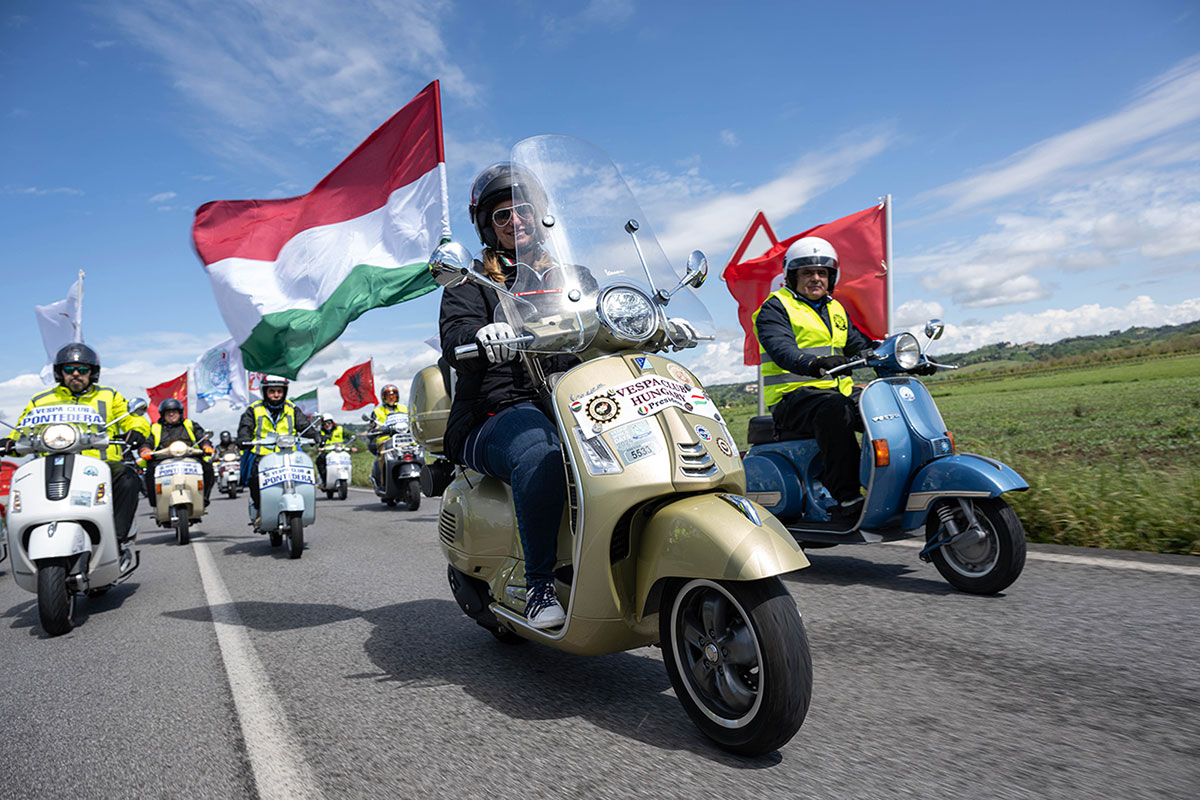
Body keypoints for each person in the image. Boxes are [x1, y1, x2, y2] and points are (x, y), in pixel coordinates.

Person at [438, 162, 580, 630]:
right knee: (539, 450)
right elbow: (455, 334)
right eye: (502, 215)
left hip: (570, 403)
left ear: (539, 215)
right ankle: (538, 588)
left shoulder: (572, 277)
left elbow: (604, 321)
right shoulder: (470, 282)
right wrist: (482, 333)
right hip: (493, 411)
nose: (514, 221)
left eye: (522, 210)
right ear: (487, 227)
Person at [752, 237, 882, 523]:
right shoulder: (775, 308)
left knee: (884, 408)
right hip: (793, 399)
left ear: (831, 277)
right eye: (807, 273)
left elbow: (860, 345)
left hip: (836, 394)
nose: (815, 278)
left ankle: (888, 484)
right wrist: (814, 363)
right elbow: (782, 350)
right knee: (835, 410)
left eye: (822, 273)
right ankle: (846, 496)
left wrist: (897, 354)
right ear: (792, 277)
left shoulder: (836, 309)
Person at [0, 343, 149, 542]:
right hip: (51, 467)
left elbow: (132, 418)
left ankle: (117, 538)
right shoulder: (40, 400)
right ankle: (25, 538)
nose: (76, 374)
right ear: (60, 373)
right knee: (23, 482)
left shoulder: (108, 395)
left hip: (100, 467)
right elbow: (23, 431)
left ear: (92, 372)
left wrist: (136, 430)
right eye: (69, 369)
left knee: (129, 478)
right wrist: (11, 443)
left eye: (83, 369)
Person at [236, 375, 315, 522]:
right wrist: (243, 438)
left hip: (289, 455)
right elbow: (245, 428)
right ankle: (260, 509)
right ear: (265, 391)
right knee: (254, 480)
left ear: (284, 392)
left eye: (279, 391)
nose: (276, 394)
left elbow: (304, 425)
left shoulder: (292, 409)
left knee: (306, 476)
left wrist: (315, 435)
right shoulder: (253, 410)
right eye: (272, 391)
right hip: (263, 457)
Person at [139, 398, 215, 506]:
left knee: (207, 468)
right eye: (168, 412)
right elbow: (147, 441)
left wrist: (206, 446)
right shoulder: (155, 428)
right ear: (163, 415)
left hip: (190, 457)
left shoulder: (190, 424)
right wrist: (145, 449)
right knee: (150, 472)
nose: (171, 414)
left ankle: (204, 497)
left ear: (180, 413)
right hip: (162, 459)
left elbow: (201, 437)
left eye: (174, 412)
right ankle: (155, 502)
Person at [368, 384, 408, 487]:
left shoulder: (404, 408)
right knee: (382, 457)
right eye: (388, 396)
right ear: (383, 398)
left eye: (393, 396)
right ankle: (384, 483)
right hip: (386, 441)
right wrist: (376, 429)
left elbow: (411, 420)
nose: (391, 398)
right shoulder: (377, 411)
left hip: (404, 439)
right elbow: (373, 426)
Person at [315, 416, 353, 484]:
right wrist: (319, 448)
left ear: (332, 422)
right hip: (326, 453)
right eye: (324, 423)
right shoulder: (320, 432)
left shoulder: (340, 429)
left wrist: (353, 447)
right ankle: (324, 481)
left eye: (329, 422)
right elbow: (316, 442)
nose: (327, 425)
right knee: (319, 461)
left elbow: (352, 436)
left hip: (340, 452)